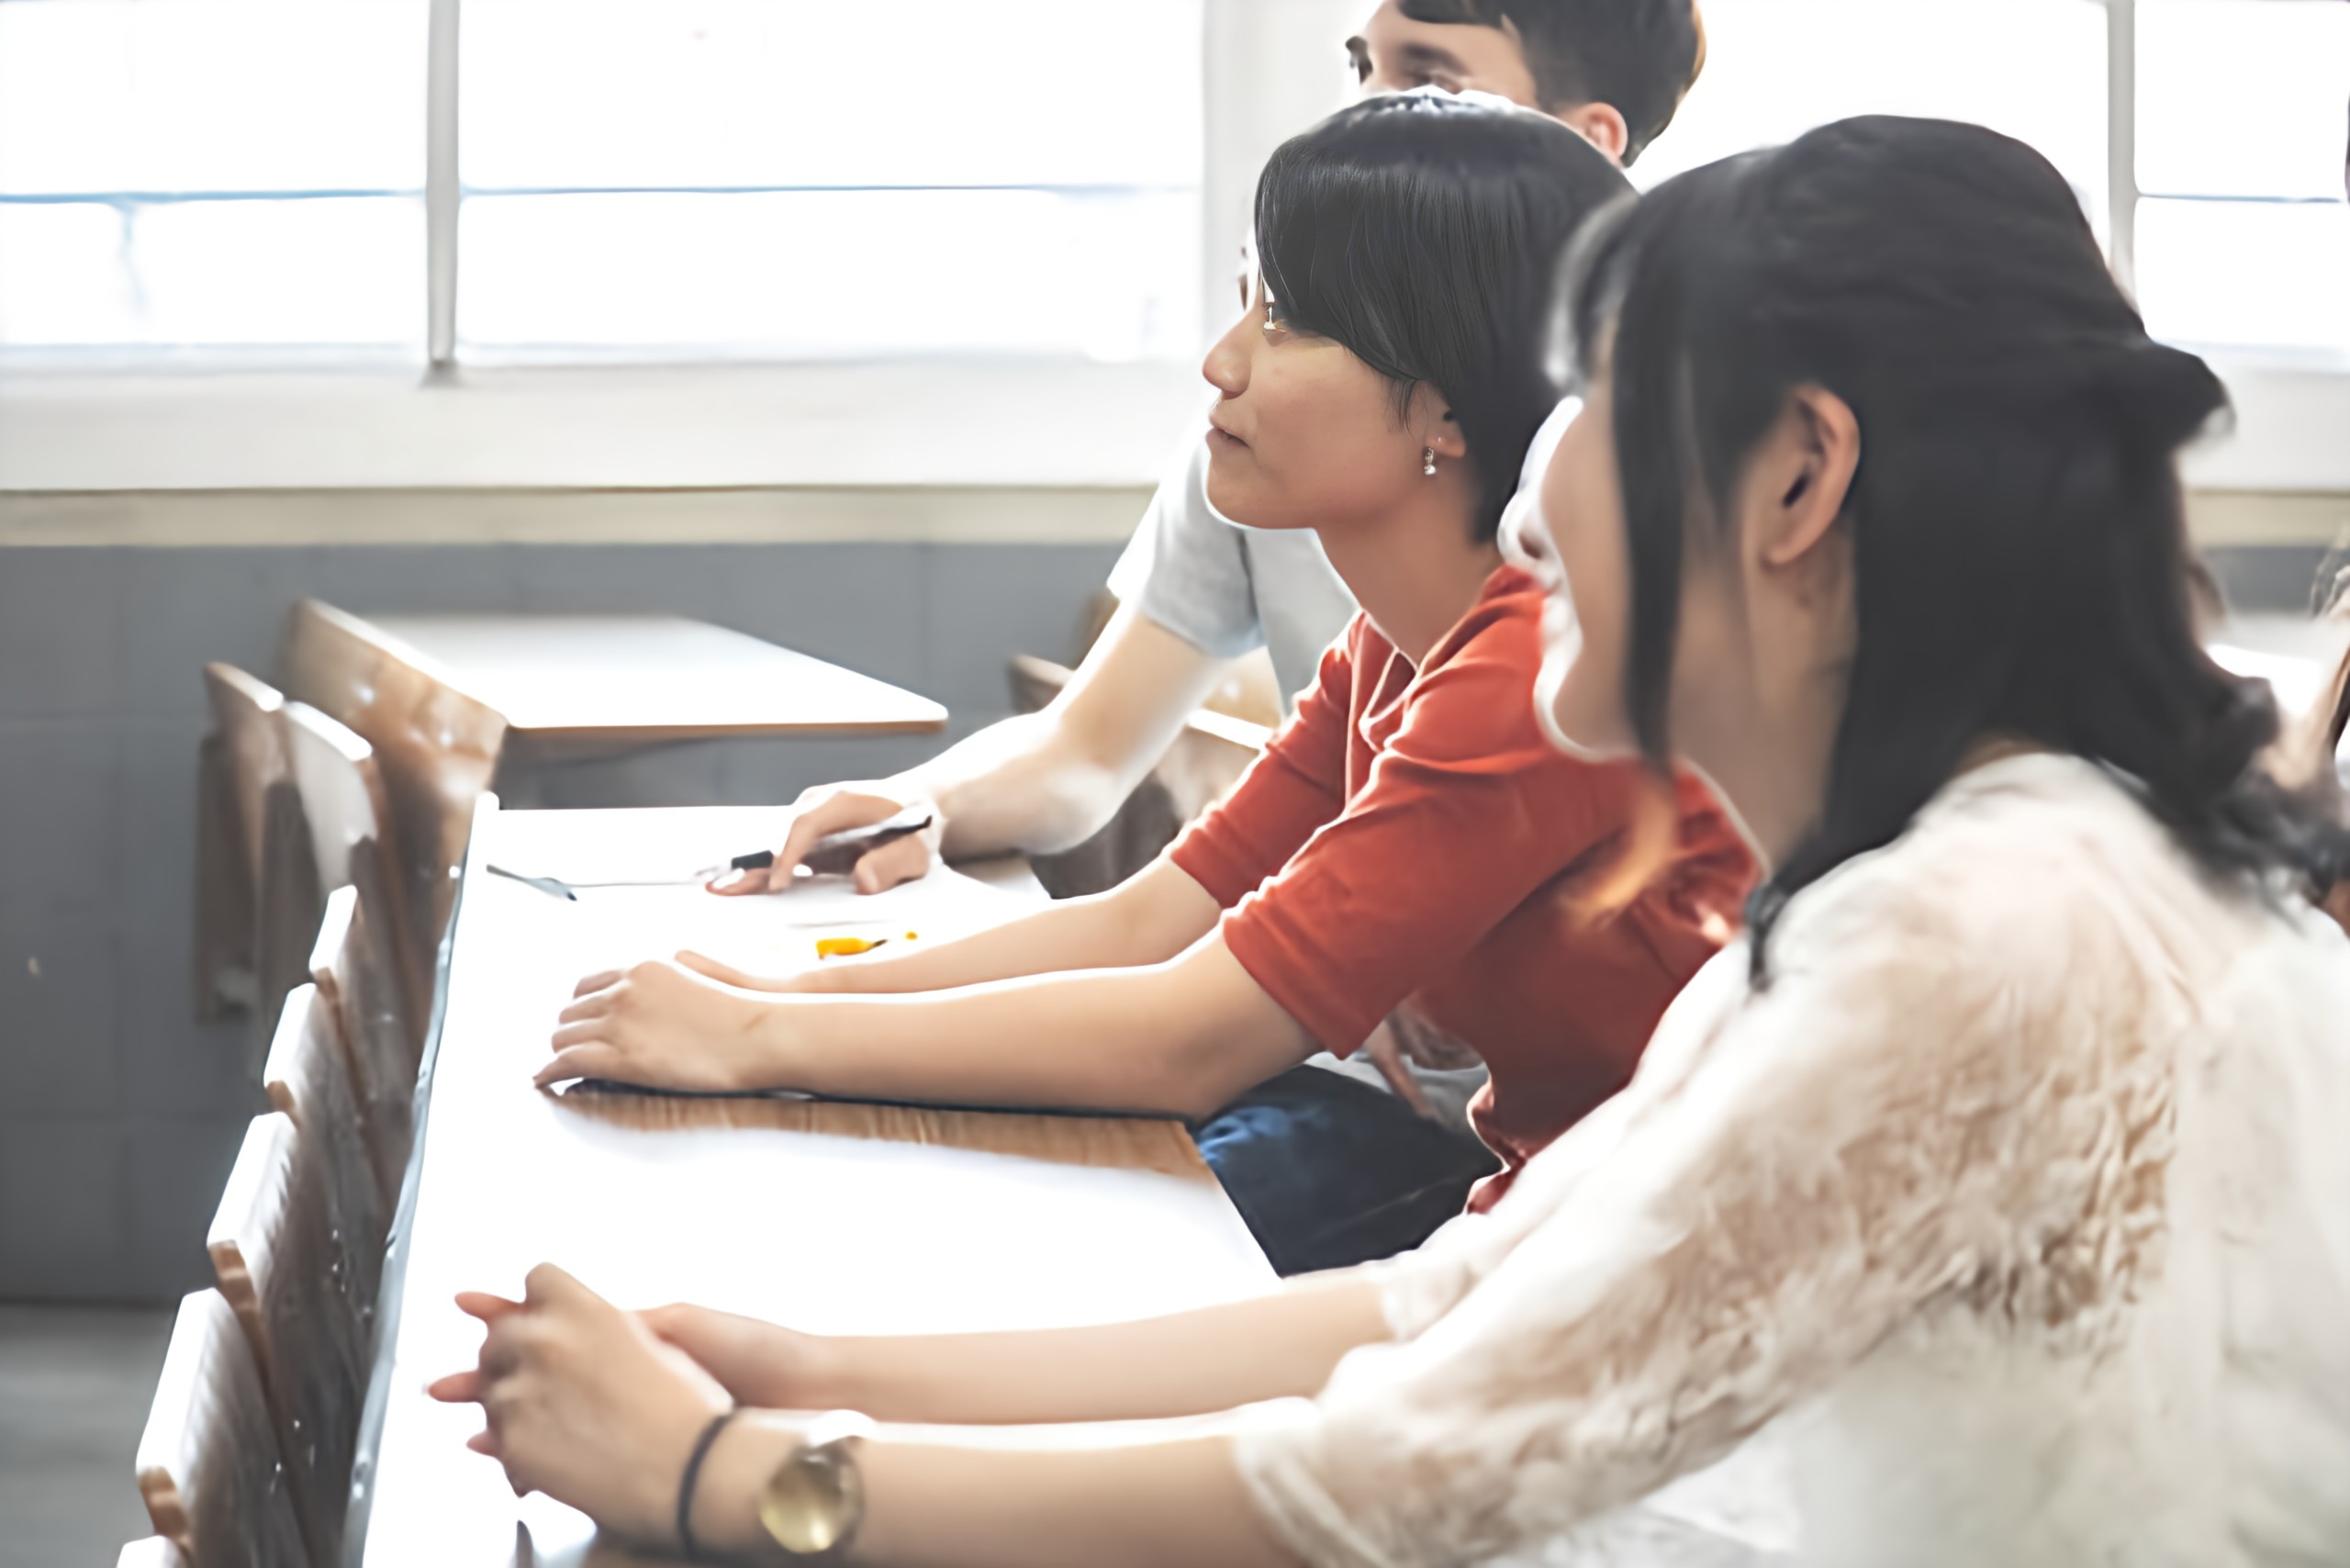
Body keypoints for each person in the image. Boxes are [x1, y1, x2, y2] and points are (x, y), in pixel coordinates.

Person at [437, 116, 2350, 1564]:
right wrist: (805, 1359)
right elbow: (1453, 1297)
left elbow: (1408, 1461)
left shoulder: (1981, 924)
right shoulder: (1947, 880)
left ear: (1795, 477)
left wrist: (726, 1476)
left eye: (1594, 397)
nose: (1531, 495)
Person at [543, 93, 1754, 1272]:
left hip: (1652, 1268)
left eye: (1287, 322)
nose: (1221, 363)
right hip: (1543, 1233)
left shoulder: (1528, 669)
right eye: (1244, 304)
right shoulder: (1398, 642)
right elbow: (1149, 920)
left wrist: (758, 1039)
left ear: (1441, 405)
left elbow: (1192, 1037)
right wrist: (766, 989)